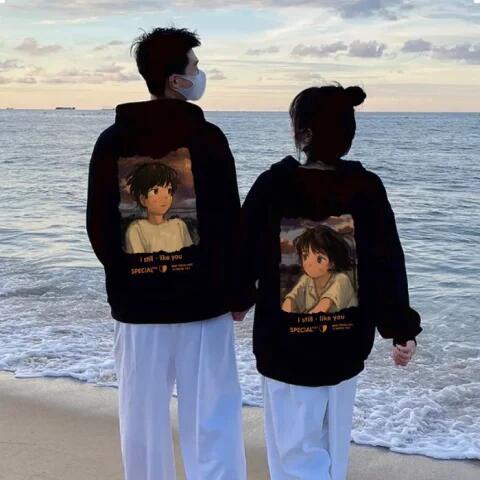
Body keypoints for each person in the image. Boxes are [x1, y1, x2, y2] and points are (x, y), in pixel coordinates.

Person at [86, 27, 254, 480]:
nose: (200, 73)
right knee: (213, 421)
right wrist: (240, 293)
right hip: (204, 307)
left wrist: (131, 276)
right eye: (194, 66)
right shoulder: (209, 139)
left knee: (141, 424)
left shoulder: (111, 141)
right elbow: (230, 224)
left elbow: (99, 227)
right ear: (176, 80)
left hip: (138, 309)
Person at [241, 83, 423, 480]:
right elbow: (387, 264)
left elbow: (242, 253)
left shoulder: (273, 186)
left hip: (284, 349)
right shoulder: (366, 188)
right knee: (332, 452)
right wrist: (400, 328)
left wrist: (237, 300)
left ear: (302, 133)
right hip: (344, 347)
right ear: (348, 136)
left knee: (292, 455)